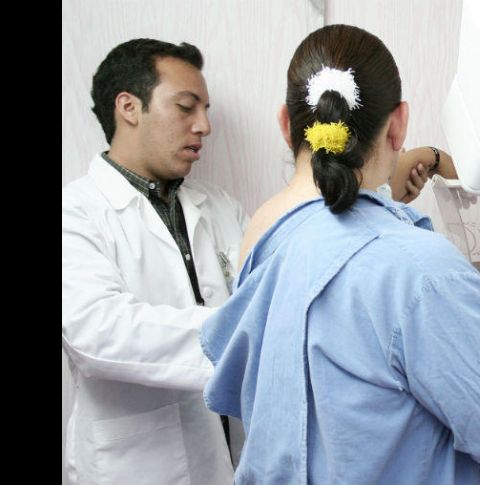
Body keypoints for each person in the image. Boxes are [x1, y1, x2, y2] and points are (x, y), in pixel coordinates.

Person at [200, 24, 480, 485]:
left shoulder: (261, 236)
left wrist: (392, 189)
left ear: (286, 125)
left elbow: (327, 222)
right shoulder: (421, 274)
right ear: (398, 124)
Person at [61, 37, 432, 485]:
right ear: (128, 108)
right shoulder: (76, 213)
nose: (204, 126)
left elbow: (294, 263)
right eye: (186, 107)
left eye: (205, 110)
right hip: (136, 466)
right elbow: (97, 333)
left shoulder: (219, 207)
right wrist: (256, 332)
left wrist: (379, 187)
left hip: (235, 458)